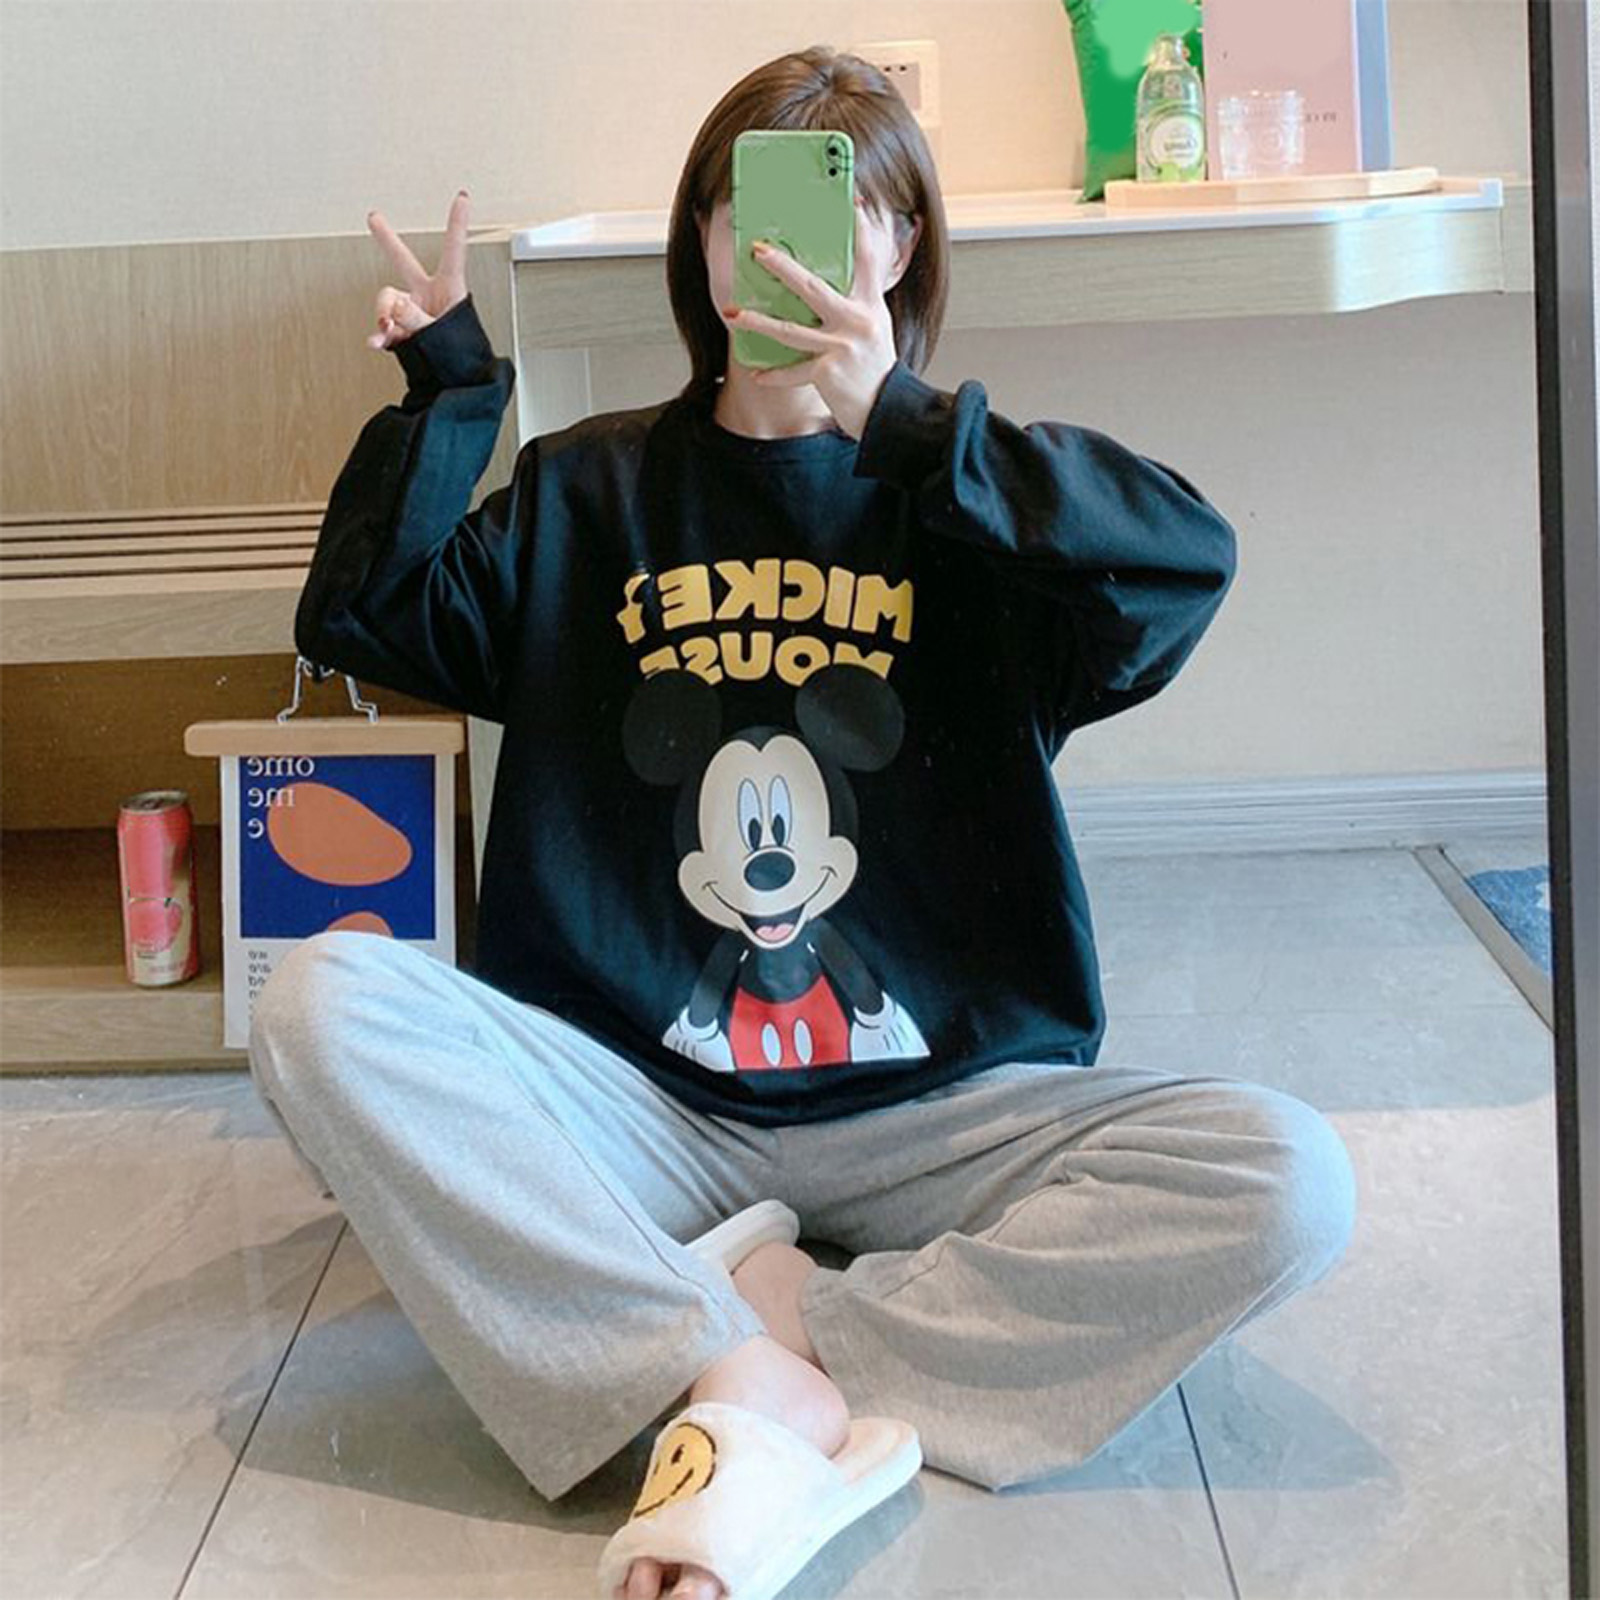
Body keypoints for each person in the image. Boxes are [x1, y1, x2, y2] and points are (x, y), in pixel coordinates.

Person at [247, 45, 1357, 1600]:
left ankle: (759, 1336)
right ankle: (749, 1355)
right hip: (638, 1097)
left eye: (849, 210)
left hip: (937, 1105)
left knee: (1291, 1177)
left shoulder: (969, 502)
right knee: (315, 1005)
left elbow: (1184, 563)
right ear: (701, 244)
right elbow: (363, 617)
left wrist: (910, 427)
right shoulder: (585, 494)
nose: (782, 245)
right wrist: (451, 392)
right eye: (741, 208)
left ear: (901, 249)